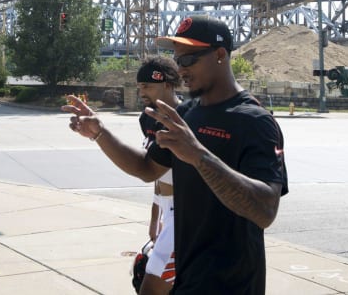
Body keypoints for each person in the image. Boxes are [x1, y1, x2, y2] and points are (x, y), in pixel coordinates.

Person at [63, 16, 288, 294]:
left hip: (233, 285)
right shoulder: (186, 114)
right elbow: (147, 169)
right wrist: (100, 133)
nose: (180, 69)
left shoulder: (255, 121)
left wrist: (198, 155)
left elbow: (265, 211)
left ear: (220, 55)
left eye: (188, 59)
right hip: (187, 278)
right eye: (177, 59)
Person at [134, 56, 182, 295]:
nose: (142, 92)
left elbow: (147, 169)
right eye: (140, 86)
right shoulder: (146, 118)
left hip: (183, 214)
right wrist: (155, 217)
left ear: (167, 84)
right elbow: (157, 171)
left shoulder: (184, 118)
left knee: (150, 285)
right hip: (166, 211)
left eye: (147, 86)